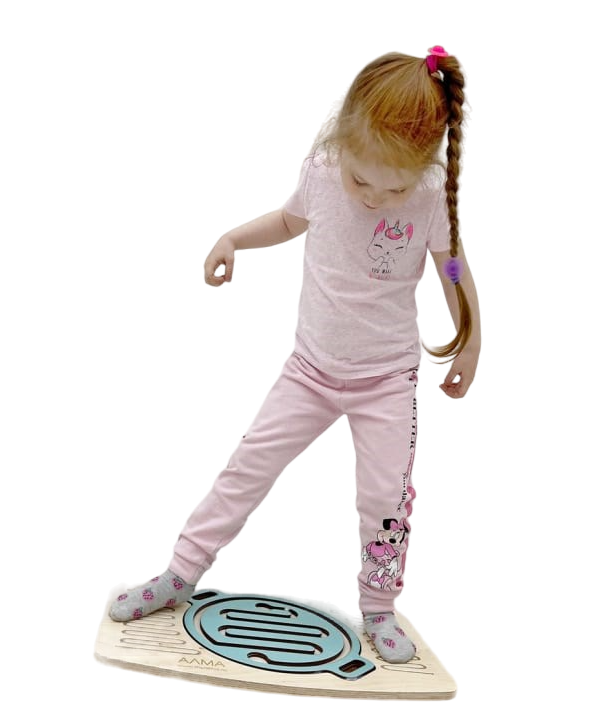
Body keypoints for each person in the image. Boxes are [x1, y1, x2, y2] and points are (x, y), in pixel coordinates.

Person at [109, 46, 481, 664]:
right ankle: (180, 572)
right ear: (343, 137)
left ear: (418, 172)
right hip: (309, 370)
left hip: (386, 379)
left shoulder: (427, 194)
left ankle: (379, 608)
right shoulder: (324, 168)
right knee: (246, 469)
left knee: (385, 502)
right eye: (361, 180)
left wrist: (471, 334)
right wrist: (232, 237)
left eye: (391, 188)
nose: (372, 197)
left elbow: (451, 266)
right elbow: (288, 221)